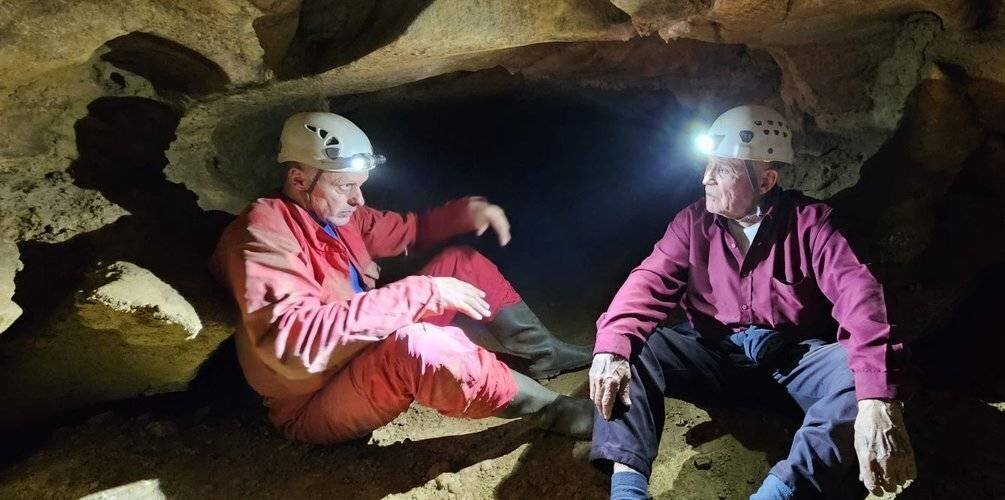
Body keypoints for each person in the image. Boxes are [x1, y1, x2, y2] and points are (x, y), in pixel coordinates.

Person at [587, 105, 917, 499]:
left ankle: (778, 493)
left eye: (723, 169)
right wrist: (613, 346)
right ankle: (628, 490)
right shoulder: (693, 224)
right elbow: (649, 280)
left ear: (765, 180)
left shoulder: (811, 224)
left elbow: (858, 295)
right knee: (629, 347)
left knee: (861, 379)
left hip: (792, 363)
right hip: (715, 356)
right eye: (708, 165)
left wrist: (876, 396)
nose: (706, 178)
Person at [212, 111, 592, 444]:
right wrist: (420, 293)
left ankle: (546, 354)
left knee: (461, 263)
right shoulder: (262, 234)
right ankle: (556, 411)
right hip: (314, 398)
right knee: (417, 343)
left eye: (360, 185)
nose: (358, 199)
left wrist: (463, 215)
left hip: (363, 349)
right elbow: (296, 346)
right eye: (345, 186)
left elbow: (407, 230)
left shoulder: (338, 216)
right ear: (299, 180)